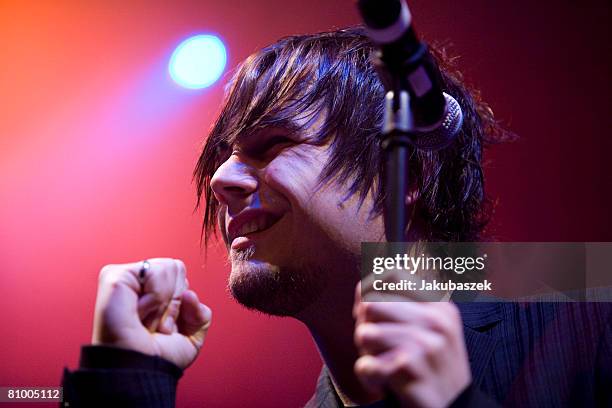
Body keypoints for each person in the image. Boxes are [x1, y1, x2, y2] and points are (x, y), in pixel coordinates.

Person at [61, 27, 611, 407]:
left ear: (408, 176)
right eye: (225, 157)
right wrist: (128, 382)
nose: (222, 181)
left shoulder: (591, 312)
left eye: (273, 143)